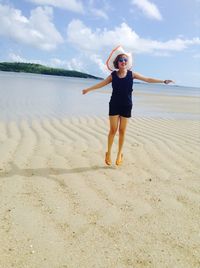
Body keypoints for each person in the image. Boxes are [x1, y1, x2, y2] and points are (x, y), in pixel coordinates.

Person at [82, 45, 173, 166]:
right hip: (114, 105)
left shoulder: (132, 74)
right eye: (121, 60)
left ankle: (119, 154)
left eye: (125, 60)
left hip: (127, 105)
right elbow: (101, 84)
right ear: (117, 63)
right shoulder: (112, 76)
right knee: (113, 130)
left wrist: (163, 81)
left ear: (127, 62)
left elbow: (147, 79)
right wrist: (88, 89)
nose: (123, 62)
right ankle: (108, 152)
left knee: (122, 131)